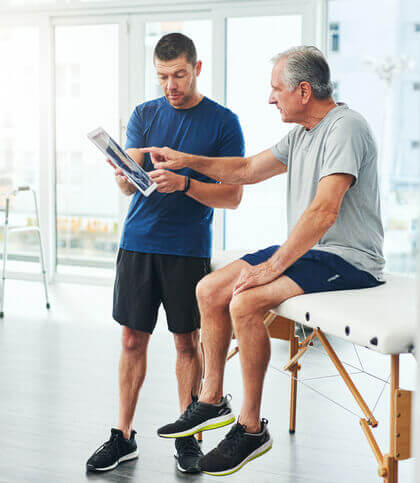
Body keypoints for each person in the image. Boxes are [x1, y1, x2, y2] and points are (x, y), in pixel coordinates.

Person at [144, 45, 385, 476]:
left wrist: (273, 266)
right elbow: (247, 169)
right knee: (210, 288)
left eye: (276, 89)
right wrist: (187, 163)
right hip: (312, 249)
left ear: (304, 91)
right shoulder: (302, 132)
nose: (271, 98)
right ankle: (212, 399)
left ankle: (251, 428)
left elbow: (325, 211)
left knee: (245, 301)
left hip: (348, 257)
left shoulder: (346, 129)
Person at [85, 32, 244, 474]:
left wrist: (187, 183)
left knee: (185, 343)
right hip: (137, 242)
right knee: (132, 339)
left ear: (197, 68)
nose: (170, 85)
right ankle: (123, 435)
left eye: (178, 75)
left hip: (186, 249)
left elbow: (232, 197)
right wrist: (122, 172)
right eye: (162, 77)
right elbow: (126, 184)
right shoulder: (144, 114)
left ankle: (187, 438)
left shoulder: (223, 122)